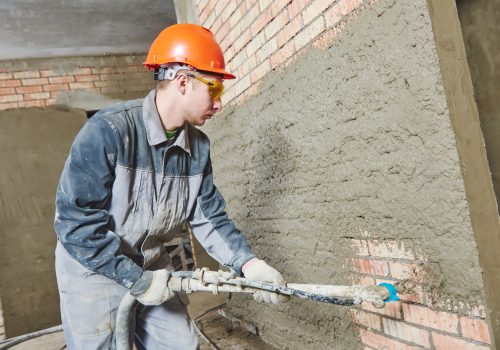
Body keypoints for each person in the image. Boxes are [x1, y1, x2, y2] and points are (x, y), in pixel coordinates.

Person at [54, 23, 288, 350]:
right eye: (215, 90)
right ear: (182, 82)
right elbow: (75, 225)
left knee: (180, 344)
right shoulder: (108, 132)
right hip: (94, 270)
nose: (219, 103)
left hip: (151, 263)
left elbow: (208, 219)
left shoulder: (199, 149)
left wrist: (250, 264)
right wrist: (134, 279)